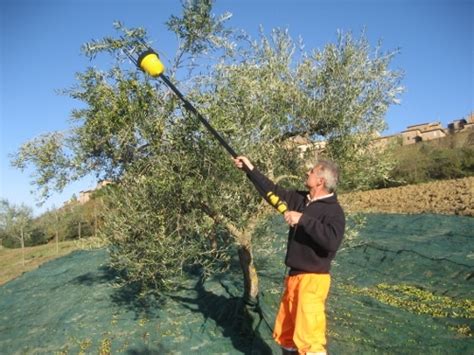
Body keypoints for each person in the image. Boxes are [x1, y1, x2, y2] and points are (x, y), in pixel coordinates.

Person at [233, 156, 345, 355]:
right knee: (287, 336)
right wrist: (250, 170)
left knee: (310, 342)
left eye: (311, 171)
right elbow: (272, 192)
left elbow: (332, 241)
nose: (307, 173)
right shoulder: (301, 200)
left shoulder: (334, 211)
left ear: (320, 181)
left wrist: (303, 220)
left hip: (313, 281)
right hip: (293, 278)